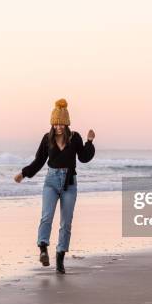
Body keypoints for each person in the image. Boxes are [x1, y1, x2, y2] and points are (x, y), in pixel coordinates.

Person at [14, 98, 95, 274]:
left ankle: (60, 258)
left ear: (66, 124)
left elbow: (83, 158)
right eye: (56, 123)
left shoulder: (74, 138)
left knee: (66, 223)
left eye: (61, 124)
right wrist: (24, 173)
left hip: (69, 183)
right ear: (52, 123)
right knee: (46, 216)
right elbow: (39, 161)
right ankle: (43, 248)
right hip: (50, 182)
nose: (58, 127)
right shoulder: (47, 138)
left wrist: (89, 142)